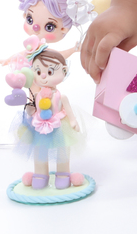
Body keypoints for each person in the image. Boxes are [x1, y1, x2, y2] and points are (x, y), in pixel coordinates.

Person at [14, 49, 86, 189]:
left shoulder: (61, 96)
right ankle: (40, 174)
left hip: (59, 126)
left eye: (50, 72)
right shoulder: (37, 95)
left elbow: (68, 111)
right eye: (38, 72)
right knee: (39, 151)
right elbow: (34, 110)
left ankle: (63, 174)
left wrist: (73, 121)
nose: (43, 76)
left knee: (62, 151)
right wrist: (30, 111)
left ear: (64, 71)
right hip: (40, 126)